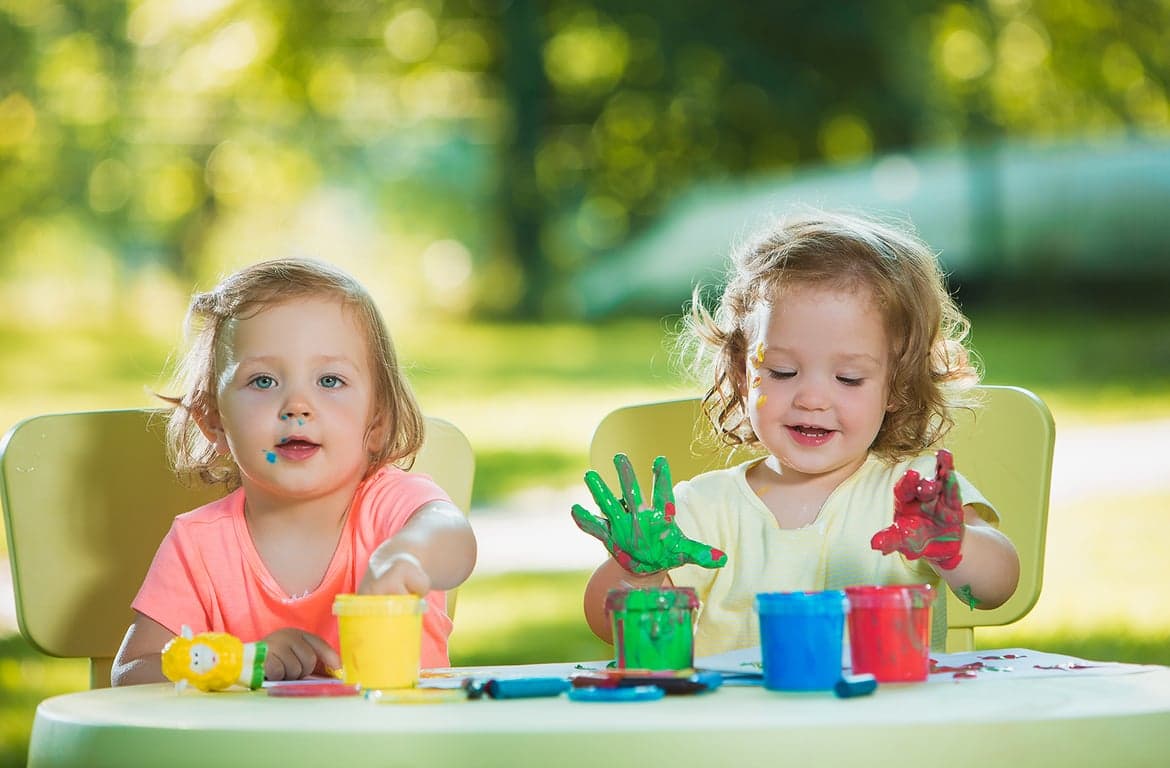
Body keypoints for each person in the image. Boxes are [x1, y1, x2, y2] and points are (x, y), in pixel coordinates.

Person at [577, 209, 1020, 657]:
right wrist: (639, 573)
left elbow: (994, 588)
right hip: (744, 724)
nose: (811, 398)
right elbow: (607, 625)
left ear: (897, 386)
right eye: (783, 371)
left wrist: (954, 546)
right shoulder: (703, 512)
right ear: (740, 371)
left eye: (848, 378)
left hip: (886, 722)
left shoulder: (915, 496)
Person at [112, 258, 476, 686]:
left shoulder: (394, 509)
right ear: (214, 421)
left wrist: (408, 554)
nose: (297, 406)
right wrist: (242, 665)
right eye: (264, 381)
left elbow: (454, 539)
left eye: (329, 381)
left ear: (377, 421)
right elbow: (132, 674)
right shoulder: (199, 546)